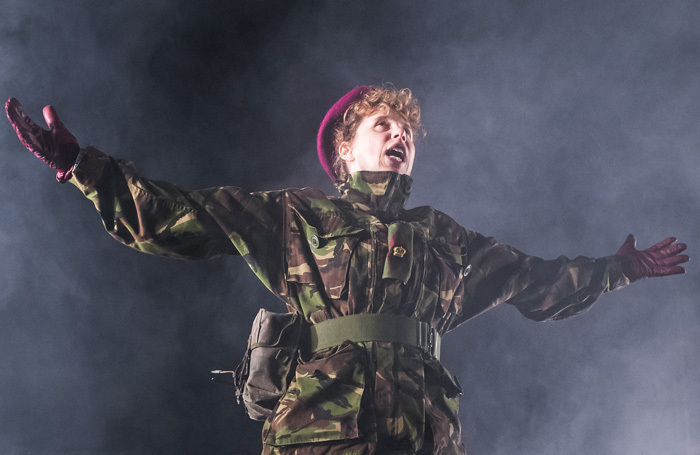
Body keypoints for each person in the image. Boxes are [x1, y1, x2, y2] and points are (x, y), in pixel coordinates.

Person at [5, 86, 689, 455]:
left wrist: (617, 269)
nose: (400, 135)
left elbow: (538, 284)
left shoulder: (445, 238)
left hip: (425, 438)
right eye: (384, 124)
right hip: (319, 436)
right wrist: (84, 170)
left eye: (408, 131)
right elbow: (180, 217)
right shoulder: (297, 217)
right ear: (343, 149)